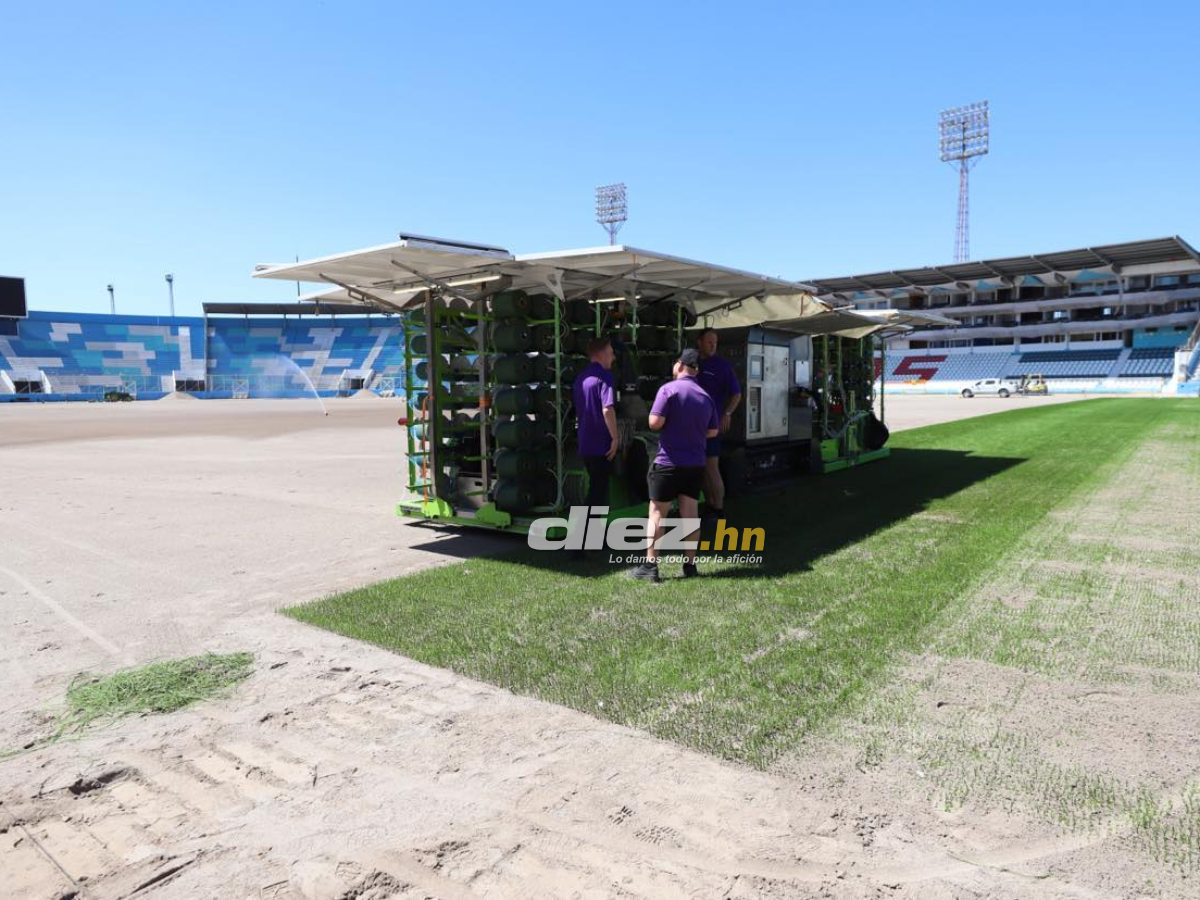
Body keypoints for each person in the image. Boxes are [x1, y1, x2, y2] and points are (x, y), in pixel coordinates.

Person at [631, 348, 719, 583]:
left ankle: (650, 567)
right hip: (695, 464)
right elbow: (713, 431)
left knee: (657, 513)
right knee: (690, 515)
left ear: (680, 365)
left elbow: (654, 422)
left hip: (668, 463)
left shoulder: (668, 390)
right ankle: (690, 566)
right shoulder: (705, 396)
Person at [695, 328, 741, 524]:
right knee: (702, 468)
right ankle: (711, 506)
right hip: (694, 426)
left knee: (711, 467)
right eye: (709, 341)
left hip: (711, 426)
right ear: (699, 342)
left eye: (715, 342)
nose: (713, 345)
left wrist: (727, 414)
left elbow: (736, 394)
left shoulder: (723, 366)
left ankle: (719, 509)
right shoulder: (692, 364)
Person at [572, 336, 619, 517]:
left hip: (585, 442)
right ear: (601, 355)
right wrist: (615, 438)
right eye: (611, 354)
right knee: (598, 492)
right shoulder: (605, 376)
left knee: (596, 488)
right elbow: (608, 409)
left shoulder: (581, 378)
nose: (613, 358)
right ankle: (582, 537)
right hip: (602, 443)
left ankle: (589, 537)